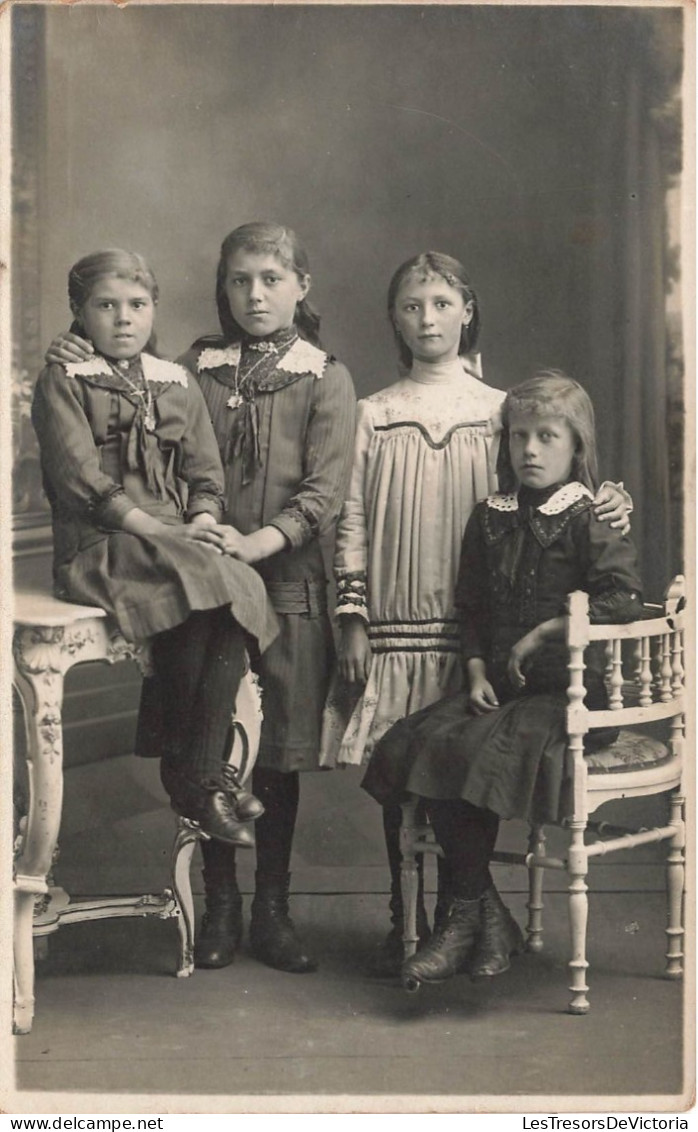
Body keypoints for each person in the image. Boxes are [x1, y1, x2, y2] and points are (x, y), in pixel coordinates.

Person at [45, 224, 357, 976]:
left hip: (280, 577)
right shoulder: (190, 367)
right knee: (211, 737)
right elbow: (132, 402)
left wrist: (252, 542)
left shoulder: (327, 377)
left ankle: (272, 908)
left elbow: (324, 492)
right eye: (240, 281)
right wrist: (69, 347)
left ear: (301, 287)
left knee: (272, 751)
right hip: (178, 571)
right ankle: (218, 905)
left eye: (272, 281)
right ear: (223, 287)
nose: (255, 295)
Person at [321, 252, 632, 977]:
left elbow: (568, 488)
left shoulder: (504, 409)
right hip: (412, 615)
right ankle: (425, 913)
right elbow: (353, 519)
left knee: (457, 756)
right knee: (405, 751)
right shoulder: (374, 413)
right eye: (410, 306)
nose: (427, 318)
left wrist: (609, 496)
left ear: (467, 311)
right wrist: (353, 614)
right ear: (394, 319)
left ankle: (459, 916)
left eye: (440, 303)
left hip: (504, 650)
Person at [361, 371, 645, 990]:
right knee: (417, 742)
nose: (532, 450)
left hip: (570, 698)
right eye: (520, 436)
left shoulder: (588, 515)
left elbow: (622, 599)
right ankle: (480, 915)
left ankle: (467, 920)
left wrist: (547, 631)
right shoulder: (489, 516)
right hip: (501, 690)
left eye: (548, 437)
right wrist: (476, 667)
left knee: (471, 751)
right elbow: (473, 607)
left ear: (576, 447)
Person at [32, 249, 279, 851]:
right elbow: (80, 480)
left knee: (234, 577)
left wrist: (200, 520)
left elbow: (205, 473)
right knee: (196, 574)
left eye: (137, 306)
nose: (123, 319)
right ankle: (197, 776)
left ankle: (197, 770)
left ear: (154, 310)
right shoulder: (64, 379)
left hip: (173, 539)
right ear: (78, 313)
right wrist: (164, 531)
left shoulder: (176, 380)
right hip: (104, 541)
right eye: (106, 306)